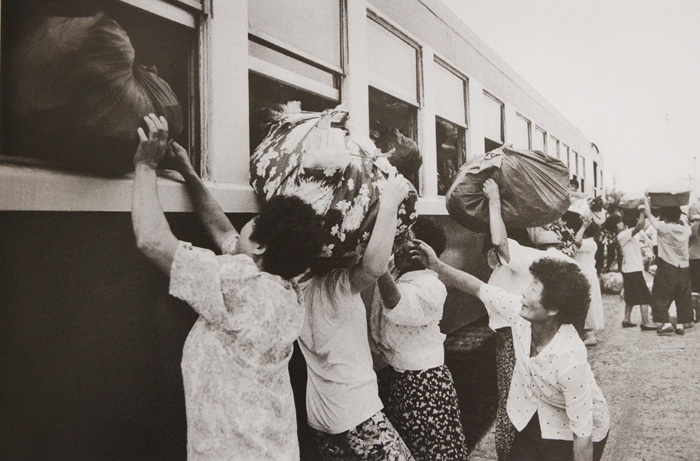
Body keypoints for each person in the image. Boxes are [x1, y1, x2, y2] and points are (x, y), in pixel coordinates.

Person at [131, 114, 325, 460]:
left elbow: (152, 241)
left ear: (260, 245)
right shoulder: (286, 290)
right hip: (274, 449)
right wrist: (189, 174)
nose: (246, 225)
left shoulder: (240, 283)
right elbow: (225, 234)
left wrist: (145, 165)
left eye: (256, 221)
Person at [412, 244, 610, 461]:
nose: (524, 292)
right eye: (530, 284)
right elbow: (477, 288)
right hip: (537, 412)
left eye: (534, 289)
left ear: (553, 309)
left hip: (575, 431)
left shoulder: (570, 360)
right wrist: (436, 265)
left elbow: (583, 435)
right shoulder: (520, 313)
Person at [297, 172, 414, 460]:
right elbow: (374, 267)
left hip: (320, 416)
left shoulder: (295, 287)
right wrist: (389, 204)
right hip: (356, 413)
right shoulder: (333, 286)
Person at [370, 216, 469, 461]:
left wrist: (379, 263)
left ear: (422, 250)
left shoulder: (431, 286)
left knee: (434, 452)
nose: (396, 245)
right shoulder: (398, 270)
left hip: (424, 384)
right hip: (401, 379)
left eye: (405, 239)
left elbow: (398, 305)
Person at [644, 196, 694, 335]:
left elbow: (649, 215)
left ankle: (665, 323)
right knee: (683, 296)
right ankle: (680, 324)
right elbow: (684, 220)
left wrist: (646, 199)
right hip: (684, 267)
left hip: (667, 265)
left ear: (664, 216)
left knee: (660, 295)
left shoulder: (663, 228)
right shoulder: (686, 230)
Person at [610, 212, 656, 331]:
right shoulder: (623, 234)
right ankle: (645, 322)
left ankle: (626, 319)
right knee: (644, 296)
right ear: (616, 225)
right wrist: (642, 212)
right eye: (619, 222)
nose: (622, 223)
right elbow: (639, 225)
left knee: (630, 296)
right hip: (633, 269)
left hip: (628, 268)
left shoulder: (623, 235)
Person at [572, 215, 605, 346]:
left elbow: (577, 240)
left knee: (588, 304)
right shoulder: (589, 243)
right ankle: (585, 333)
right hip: (584, 274)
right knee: (584, 303)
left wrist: (583, 226)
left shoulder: (590, 243)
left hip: (587, 275)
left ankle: (590, 335)